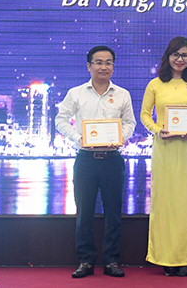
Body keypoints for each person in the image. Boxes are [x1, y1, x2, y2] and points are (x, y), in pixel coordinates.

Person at [55, 45, 136, 278]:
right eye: (99, 62)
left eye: (108, 62)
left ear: (113, 66)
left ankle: (111, 261)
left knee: (113, 213)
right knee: (84, 213)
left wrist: (123, 136)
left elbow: (130, 122)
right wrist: (78, 138)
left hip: (112, 160)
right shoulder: (76, 93)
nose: (104, 66)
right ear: (89, 66)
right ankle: (86, 261)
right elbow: (60, 120)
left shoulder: (122, 94)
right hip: (86, 160)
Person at [140, 36, 187, 276]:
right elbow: (145, 115)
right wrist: (160, 130)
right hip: (165, 150)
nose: (180, 59)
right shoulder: (155, 85)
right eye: (175, 54)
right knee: (165, 203)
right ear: (167, 57)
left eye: (185, 55)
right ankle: (165, 258)